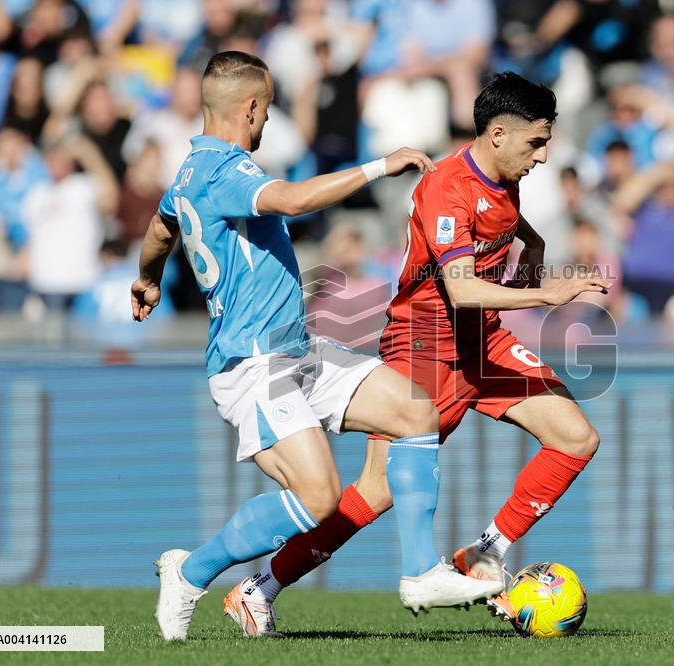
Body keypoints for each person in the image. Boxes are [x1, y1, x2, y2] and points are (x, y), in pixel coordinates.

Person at [131, 51, 502, 641]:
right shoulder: (227, 170)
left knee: (415, 411)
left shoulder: (186, 173)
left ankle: (420, 572)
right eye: (268, 109)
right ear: (249, 106)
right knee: (321, 497)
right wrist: (382, 165)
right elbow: (297, 201)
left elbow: (159, 231)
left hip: (296, 350)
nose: (268, 122)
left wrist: (148, 278)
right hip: (252, 364)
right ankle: (192, 570)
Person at [231, 71, 608, 629]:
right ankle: (258, 586)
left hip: (482, 340)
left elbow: (496, 220)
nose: (544, 156)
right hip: (425, 347)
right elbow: (460, 287)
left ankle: (485, 551)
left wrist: (530, 238)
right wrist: (547, 292)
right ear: (498, 134)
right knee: (376, 491)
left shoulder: (503, 175)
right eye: (536, 142)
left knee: (577, 438)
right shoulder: (445, 187)